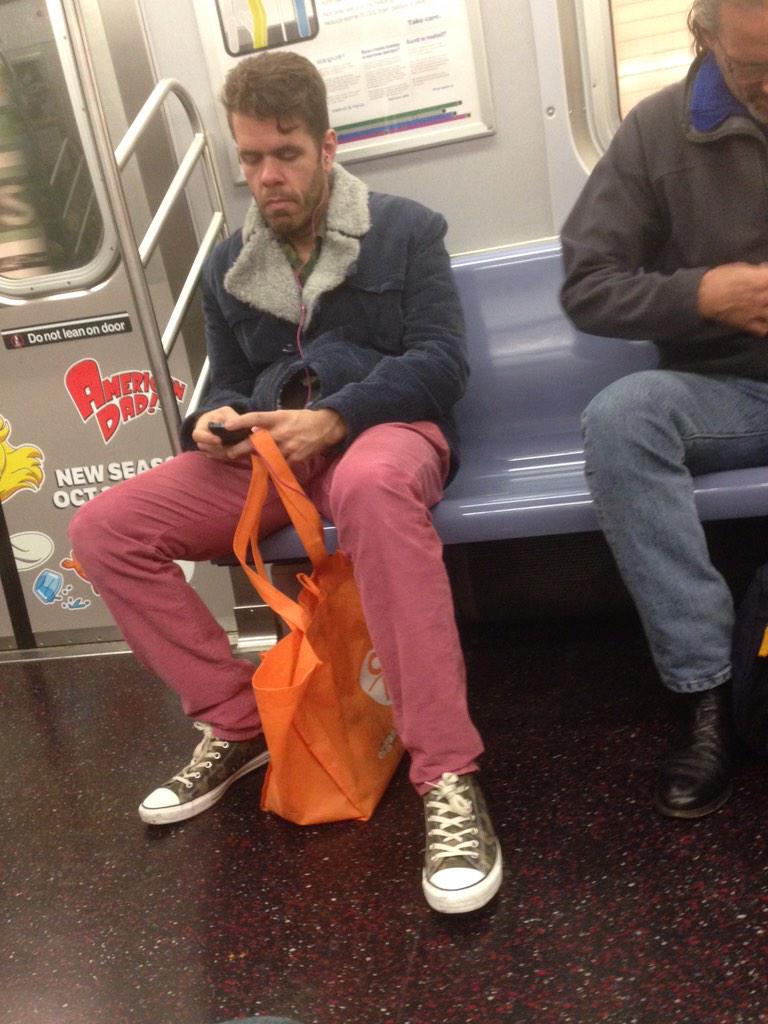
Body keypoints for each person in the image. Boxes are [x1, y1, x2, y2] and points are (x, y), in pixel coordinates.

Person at [69, 51, 502, 914]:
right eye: (251, 158)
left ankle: (447, 773)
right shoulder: (230, 264)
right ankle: (237, 722)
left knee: (372, 490)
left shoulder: (405, 229)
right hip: (274, 452)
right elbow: (229, 381)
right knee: (105, 529)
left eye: (287, 154)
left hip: (380, 429)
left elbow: (440, 362)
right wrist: (212, 419)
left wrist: (337, 416)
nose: (268, 176)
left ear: (327, 147)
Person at [559, 0, 768, 819]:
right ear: (706, 36)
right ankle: (709, 693)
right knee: (622, 419)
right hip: (729, 390)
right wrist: (700, 296)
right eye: (755, 66)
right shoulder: (654, 133)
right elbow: (588, 286)